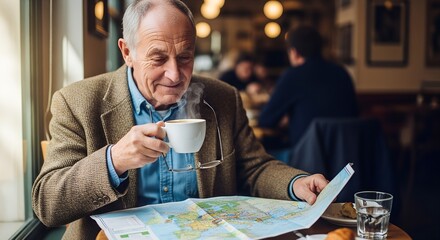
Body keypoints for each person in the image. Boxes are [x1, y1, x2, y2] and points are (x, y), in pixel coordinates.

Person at [31, 1, 328, 238]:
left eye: (185, 57)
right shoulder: (78, 102)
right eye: (158, 59)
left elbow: (254, 167)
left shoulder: (222, 97)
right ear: (127, 52)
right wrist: (115, 160)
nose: (175, 75)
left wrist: (295, 182)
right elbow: (47, 204)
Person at [258, 25, 359, 155]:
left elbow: (266, 120)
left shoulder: (293, 75)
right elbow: (353, 113)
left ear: (294, 52)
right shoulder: (342, 73)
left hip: (305, 158)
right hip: (345, 155)